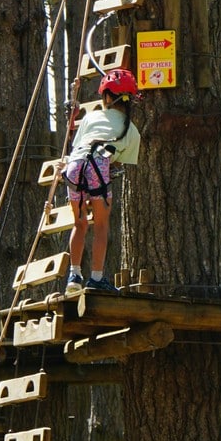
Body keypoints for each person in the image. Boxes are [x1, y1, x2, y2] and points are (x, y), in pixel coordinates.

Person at [62, 67, 141, 295]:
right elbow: (118, 162)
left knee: (79, 223)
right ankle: (96, 278)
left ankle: (74, 275)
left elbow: (78, 145)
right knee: (101, 225)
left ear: (106, 96)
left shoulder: (91, 117)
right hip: (98, 165)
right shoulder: (131, 130)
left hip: (75, 165)